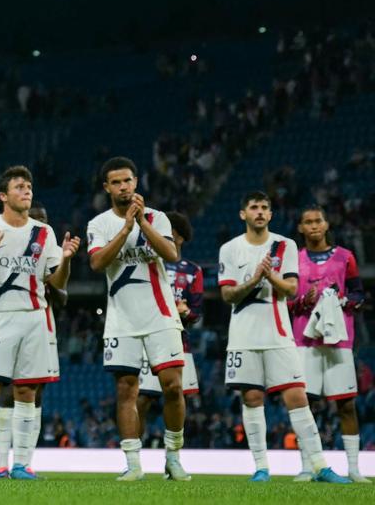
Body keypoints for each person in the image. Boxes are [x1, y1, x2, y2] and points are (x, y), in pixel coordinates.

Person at [219, 191, 349, 484]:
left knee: (297, 396)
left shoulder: (284, 245)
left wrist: (268, 276)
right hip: (243, 335)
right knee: (252, 398)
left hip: (278, 333)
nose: (260, 212)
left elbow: (291, 289)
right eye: (254, 207)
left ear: (271, 214)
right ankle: (261, 468)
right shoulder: (229, 249)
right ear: (243, 214)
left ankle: (320, 466)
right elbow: (227, 294)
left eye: (265, 207)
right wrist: (253, 280)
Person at [0, 166, 77, 481]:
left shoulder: (44, 233)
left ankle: (21, 465)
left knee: (26, 391)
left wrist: (65, 259)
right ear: (3, 195)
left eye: (29, 186)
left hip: (35, 318)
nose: (26, 191)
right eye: (19, 187)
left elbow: (58, 283)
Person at [87, 156, 188, 482]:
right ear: (107, 188)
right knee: (126, 390)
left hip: (160, 315)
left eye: (127, 181)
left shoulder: (157, 218)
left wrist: (142, 222)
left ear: (136, 182)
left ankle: (173, 457)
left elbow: (172, 255)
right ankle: (133, 464)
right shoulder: (99, 224)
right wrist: (126, 228)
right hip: (122, 320)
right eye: (116, 182)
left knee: (172, 387)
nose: (123, 187)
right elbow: (97, 263)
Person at [289, 206, 367, 483]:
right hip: (304, 339)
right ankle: (307, 466)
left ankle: (355, 468)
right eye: (307, 222)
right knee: (303, 404)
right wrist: (302, 302)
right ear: (300, 227)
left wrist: (347, 301)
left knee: (346, 404)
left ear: (326, 223)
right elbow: (286, 300)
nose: (313, 226)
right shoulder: (293, 259)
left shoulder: (346, 257)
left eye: (318, 220)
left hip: (339, 340)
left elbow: (359, 292)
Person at [0, 200, 66, 478]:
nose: (39, 222)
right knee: (8, 391)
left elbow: (63, 295)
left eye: (43, 217)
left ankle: (25, 462)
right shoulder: (5, 244)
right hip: (8, 322)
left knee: (36, 394)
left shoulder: (51, 248)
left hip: (42, 324)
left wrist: (49, 282)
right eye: (35, 217)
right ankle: (1, 463)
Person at [137, 212, 202, 442]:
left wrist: (187, 312)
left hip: (177, 340)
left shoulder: (193, 271)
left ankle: (173, 456)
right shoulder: (146, 263)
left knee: (175, 396)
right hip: (147, 338)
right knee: (142, 400)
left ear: (179, 238)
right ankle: (134, 457)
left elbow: (196, 312)